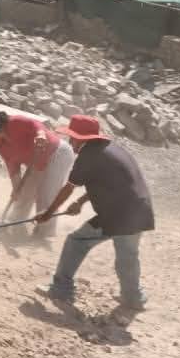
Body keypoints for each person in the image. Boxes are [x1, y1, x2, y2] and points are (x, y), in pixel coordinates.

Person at [36, 114, 154, 309]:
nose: (70, 141)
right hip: (140, 209)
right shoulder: (112, 150)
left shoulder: (88, 156)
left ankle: (61, 289)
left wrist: (48, 214)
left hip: (117, 215)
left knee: (76, 242)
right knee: (127, 255)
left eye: (72, 137)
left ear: (81, 138)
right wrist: (81, 202)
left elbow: (68, 188)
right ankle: (133, 298)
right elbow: (110, 180)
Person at [0, 108, 74, 239]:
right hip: (37, 162)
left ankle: (44, 233)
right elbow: (13, 168)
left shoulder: (15, 122)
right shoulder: (2, 147)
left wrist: (40, 135)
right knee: (24, 194)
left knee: (45, 195)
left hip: (58, 154)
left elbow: (36, 125)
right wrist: (16, 189)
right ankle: (16, 225)